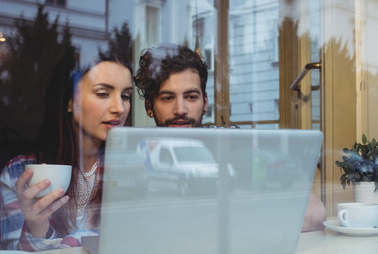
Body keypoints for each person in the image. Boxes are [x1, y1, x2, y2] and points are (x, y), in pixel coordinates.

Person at [134, 43, 326, 231]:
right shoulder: (134, 154)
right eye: (167, 98)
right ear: (149, 107)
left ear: (205, 102)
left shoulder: (230, 142)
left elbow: (315, 213)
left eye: (191, 96)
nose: (181, 110)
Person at [0, 53, 133, 251]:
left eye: (126, 96)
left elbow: (138, 245)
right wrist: (36, 229)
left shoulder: (130, 169)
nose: (120, 108)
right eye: (103, 93)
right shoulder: (19, 173)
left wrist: (71, 241)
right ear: (70, 101)